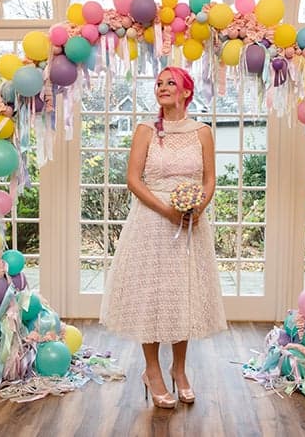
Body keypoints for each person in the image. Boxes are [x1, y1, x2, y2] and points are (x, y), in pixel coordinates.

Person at [100, 66, 227, 408]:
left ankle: (180, 370)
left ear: (187, 92)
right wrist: (167, 211)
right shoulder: (146, 131)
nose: (163, 87)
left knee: (183, 294)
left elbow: (210, 179)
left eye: (171, 83)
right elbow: (134, 180)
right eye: (159, 83)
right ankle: (152, 371)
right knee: (152, 296)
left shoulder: (202, 132)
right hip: (152, 221)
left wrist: (198, 208)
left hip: (190, 224)